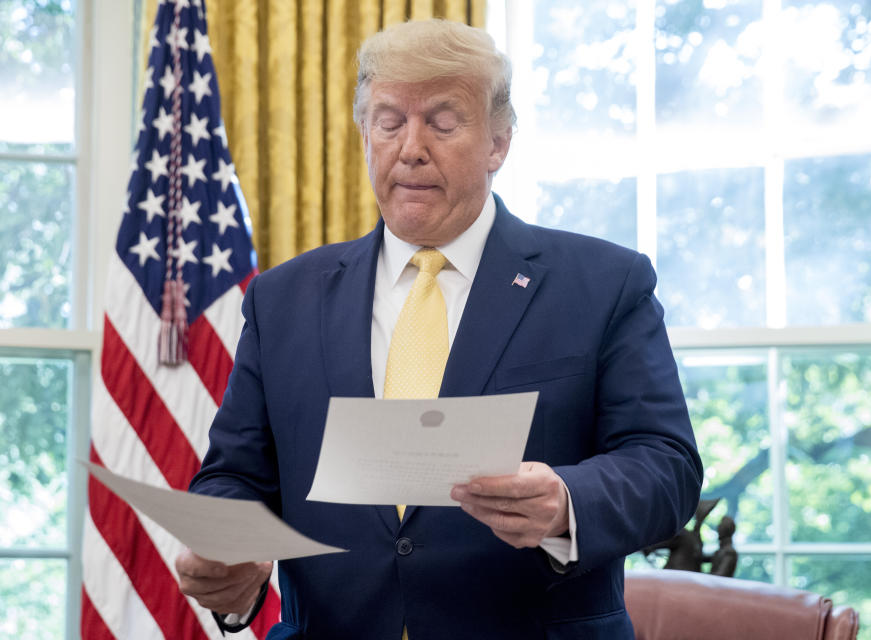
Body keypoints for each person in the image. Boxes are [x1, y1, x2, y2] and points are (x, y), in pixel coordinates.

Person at [176, 19, 702, 639]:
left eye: (444, 122)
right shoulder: (282, 298)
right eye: (389, 120)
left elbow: (667, 466)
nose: (411, 147)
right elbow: (235, 473)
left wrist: (567, 501)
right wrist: (230, 554)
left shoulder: (604, 283)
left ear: (498, 142)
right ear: (365, 133)